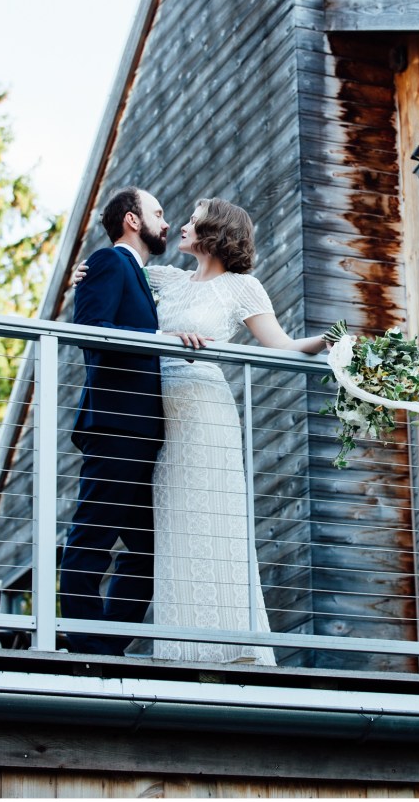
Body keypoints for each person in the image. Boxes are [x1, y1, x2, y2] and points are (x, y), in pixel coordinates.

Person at [74, 196, 326, 663]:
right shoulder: (163, 278)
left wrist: (334, 341)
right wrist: (81, 274)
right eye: (172, 218)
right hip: (152, 415)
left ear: (216, 230)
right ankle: (155, 646)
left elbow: (284, 346)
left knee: (208, 520)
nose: (179, 225)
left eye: (191, 220)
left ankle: (224, 647)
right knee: (163, 531)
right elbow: (109, 286)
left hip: (203, 410)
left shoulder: (242, 288)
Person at [60, 186, 170, 655]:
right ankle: (87, 645)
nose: (166, 222)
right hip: (117, 426)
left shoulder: (143, 275)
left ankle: (107, 645)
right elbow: (92, 333)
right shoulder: (110, 263)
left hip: (141, 432)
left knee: (146, 552)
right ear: (131, 219)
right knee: (93, 536)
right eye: (158, 213)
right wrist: (158, 342)